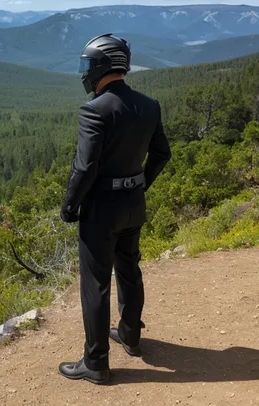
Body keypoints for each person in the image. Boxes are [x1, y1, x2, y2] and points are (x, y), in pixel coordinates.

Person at [57, 33, 172, 384]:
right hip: (134, 204)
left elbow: (85, 167)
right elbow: (162, 153)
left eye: (87, 65)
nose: (85, 72)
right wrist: (138, 185)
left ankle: (95, 363)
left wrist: (70, 204)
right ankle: (130, 334)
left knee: (95, 284)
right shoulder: (149, 104)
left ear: (101, 67)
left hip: (101, 208)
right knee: (128, 269)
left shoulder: (94, 109)